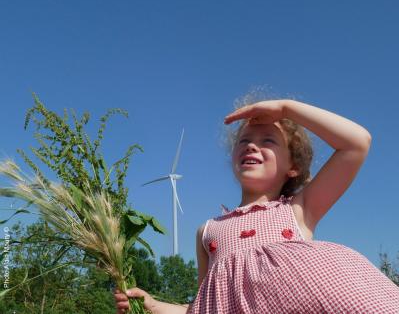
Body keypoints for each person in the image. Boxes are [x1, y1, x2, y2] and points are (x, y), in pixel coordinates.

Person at [114, 99, 399, 313]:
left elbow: (357, 143)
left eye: (268, 141)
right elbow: (204, 306)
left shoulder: (299, 209)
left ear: (293, 167)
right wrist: (153, 304)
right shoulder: (207, 231)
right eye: (245, 140)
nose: (251, 146)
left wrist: (286, 109)